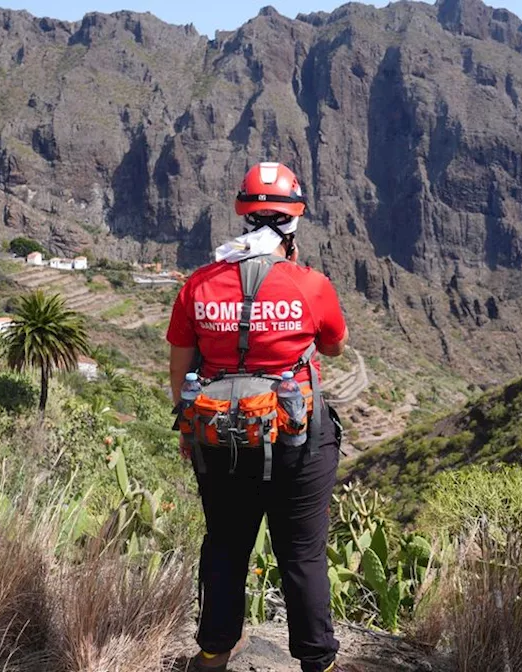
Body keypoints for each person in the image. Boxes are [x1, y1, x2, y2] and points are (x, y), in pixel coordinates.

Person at [167, 162, 352, 672]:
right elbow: (333, 347)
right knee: (302, 555)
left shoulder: (198, 285)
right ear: (293, 221)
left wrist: (190, 431)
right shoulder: (311, 285)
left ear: (240, 215)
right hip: (297, 441)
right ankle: (318, 662)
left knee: (225, 547)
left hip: (219, 438)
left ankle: (213, 652)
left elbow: (180, 370)